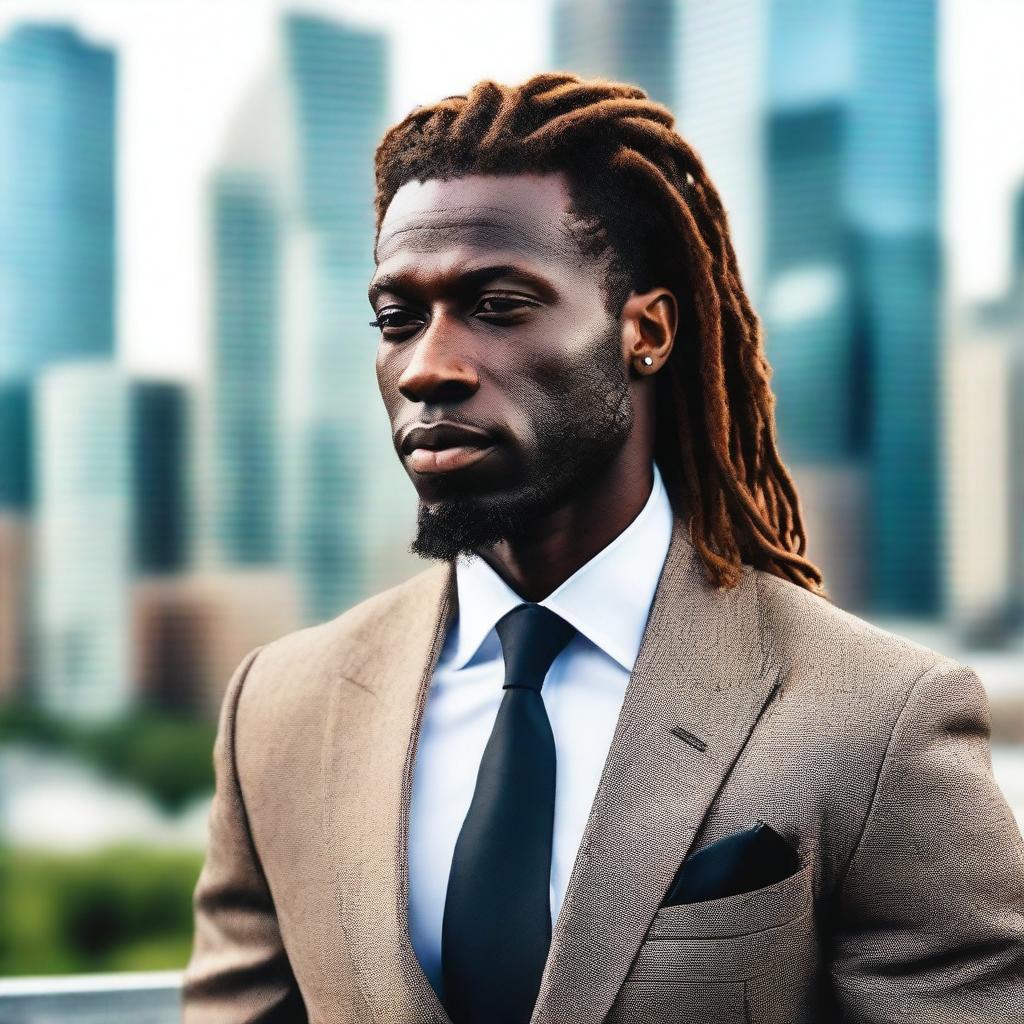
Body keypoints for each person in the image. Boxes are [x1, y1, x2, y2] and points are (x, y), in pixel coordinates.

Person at [182, 72, 1024, 1023]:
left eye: (498, 306)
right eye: (397, 319)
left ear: (647, 331)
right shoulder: (276, 709)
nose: (428, 366)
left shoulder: (879, 720)